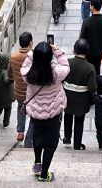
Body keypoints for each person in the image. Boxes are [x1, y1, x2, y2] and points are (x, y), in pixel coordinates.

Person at [21, 42, 70, 182]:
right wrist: (57, 51)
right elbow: (66, 66)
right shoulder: (56, 74)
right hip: (53, 113)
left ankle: (37, 163)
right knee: (50, 143)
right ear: (50, 57)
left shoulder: (28, 74)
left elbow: (24, 65)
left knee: (37, 137)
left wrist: (33, 52)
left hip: (36, 112)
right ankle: (44, 174)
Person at [63, 39, 96, 150]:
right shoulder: (90, 67)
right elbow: (91, 88)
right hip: (82, 99)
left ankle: (67, 138)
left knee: (67, 116)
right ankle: (77, 144)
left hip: (67, 96)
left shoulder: (67, 62)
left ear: (74, 50)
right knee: (79, 120)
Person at [8, 31, 34, 146]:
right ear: (30, 43)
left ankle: (20, 131)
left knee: (21, 108)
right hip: (32, 92)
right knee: (34, 113)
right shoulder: (34, 57)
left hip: (19, 91)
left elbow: (10, 75)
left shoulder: (13, 57)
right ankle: (29, 138)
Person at [79, 0, 102, 75]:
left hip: (88, 51)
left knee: (89, 67)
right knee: (97, 66)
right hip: (100, 51)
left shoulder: (86, 22)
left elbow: (82, 38)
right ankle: (97, 80)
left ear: (92, 7)